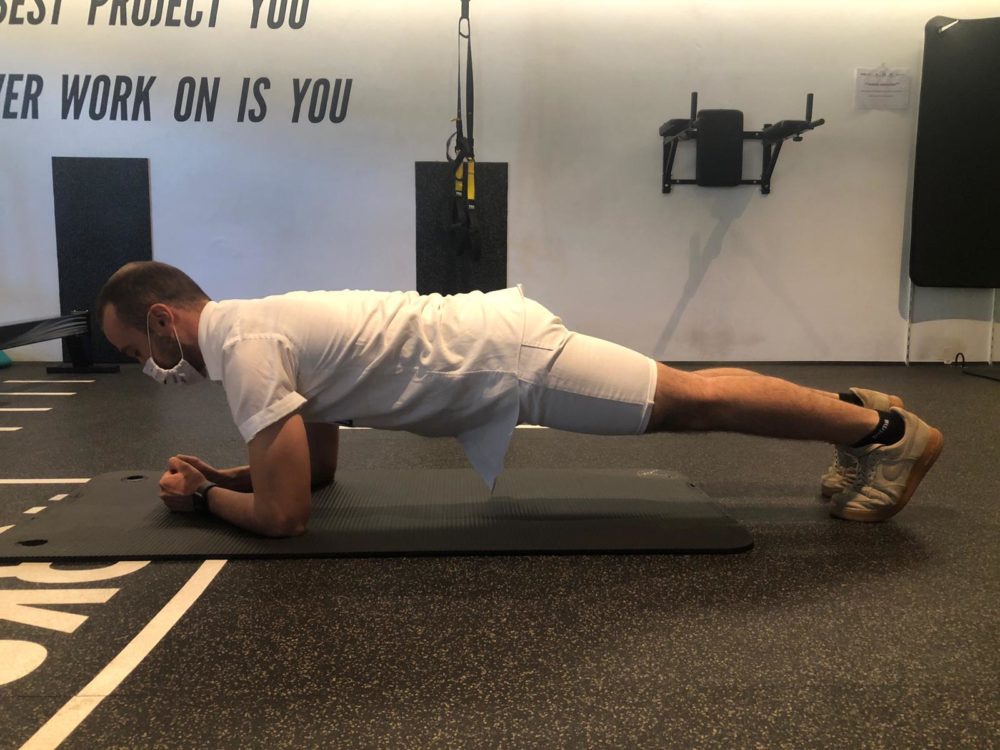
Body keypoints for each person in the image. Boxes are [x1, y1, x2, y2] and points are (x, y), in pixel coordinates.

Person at [96, 261, 943, 538]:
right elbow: (312, 473)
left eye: (139, 352)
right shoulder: (255, 330)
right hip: (493, 352)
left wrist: (205, 498)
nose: (151, 370)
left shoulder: (243, 349)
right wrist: (228, 475)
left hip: (506, 362)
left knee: (692, 402)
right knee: (688, 396)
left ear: (164, 320)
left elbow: (285, 516)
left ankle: (887, 433)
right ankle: (858, 419)